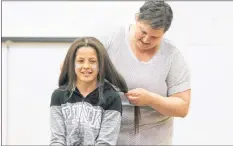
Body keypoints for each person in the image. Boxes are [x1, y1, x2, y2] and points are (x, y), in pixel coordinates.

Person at [61, 1, 191, 145]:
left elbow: (182, 107)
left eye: (155, 37)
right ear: (137, 18)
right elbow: (69, 67)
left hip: (153, 140)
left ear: (164, 33)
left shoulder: (171, 55)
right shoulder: (109, 38)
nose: (146, 39)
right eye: (143, 31)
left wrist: (151, 100)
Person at [50, 37, 128, 145]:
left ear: (101, 65)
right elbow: (57, 140)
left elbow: (106, 142)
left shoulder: (112, 97)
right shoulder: (58, 95)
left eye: (92, 61)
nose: (86, 66)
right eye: (80, 61)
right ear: (72, 63)